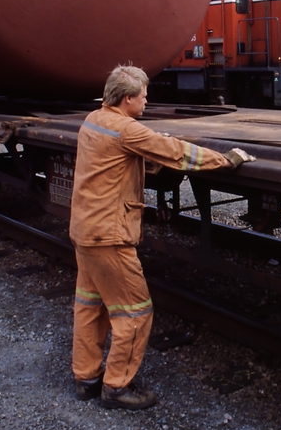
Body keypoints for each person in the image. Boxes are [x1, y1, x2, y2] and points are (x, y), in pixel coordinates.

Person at [70, 65, 253, 410]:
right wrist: (225, 160)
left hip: (84, 230)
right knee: (135, 312)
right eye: (144, 96)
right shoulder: (126, 129)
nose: (146, 101)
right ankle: (117, 387)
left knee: (90, 307)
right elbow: (176, 152)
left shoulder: (93, 119)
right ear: (127, 99)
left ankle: (87, 379)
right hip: (109, 236)